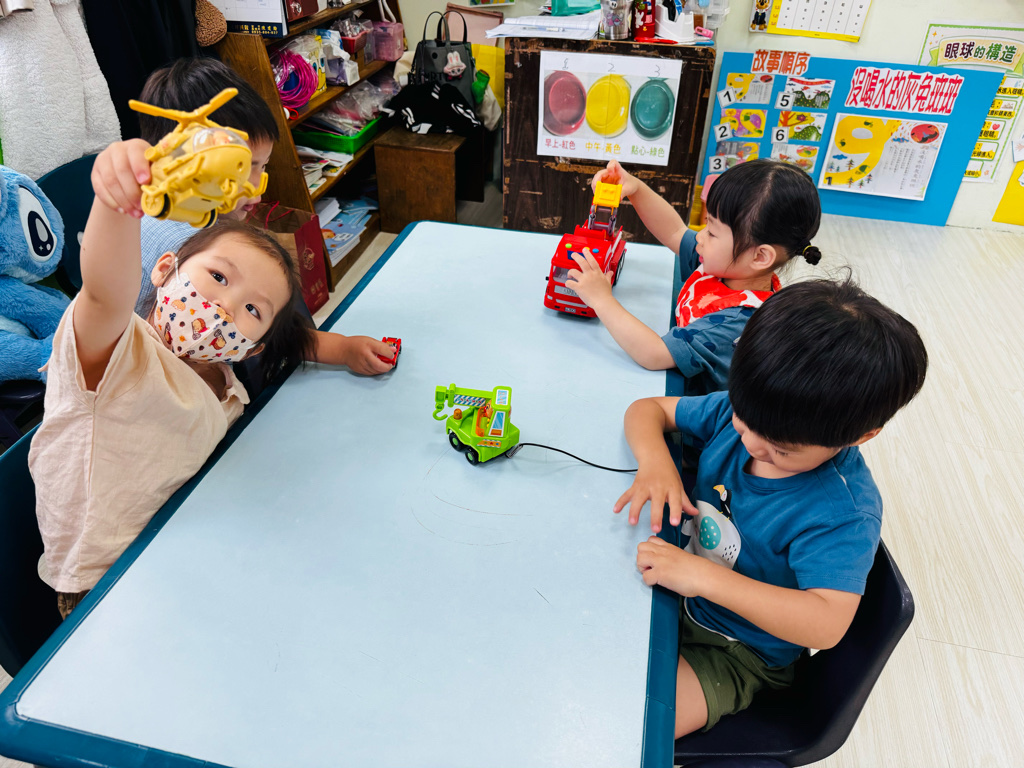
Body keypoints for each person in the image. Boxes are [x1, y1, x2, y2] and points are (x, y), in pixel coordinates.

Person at [613, 278, 928, 736]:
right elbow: (646, 410)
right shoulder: (752, 411)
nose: (753, 445)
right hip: (675, 590)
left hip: (737, 652)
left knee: (628, 725)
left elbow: (826, 624)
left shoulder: (840, 513)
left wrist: (703, 577)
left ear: (861, 436)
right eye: (744, 422)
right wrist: (657, 463)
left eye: (781, 449)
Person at [29, 139, 317, 618]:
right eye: (219, 277)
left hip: (181, 552)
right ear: (165, 270)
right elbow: (104, 293)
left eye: (252, 310)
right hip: (103, 588)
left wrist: (343, 349)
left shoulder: (225, 381)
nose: (225, 306)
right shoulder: (118, 353)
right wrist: (120, 202)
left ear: (253, 348)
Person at [134, 57, 395, 376]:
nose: (257, 190)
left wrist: (343, 349)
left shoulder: (188, 220)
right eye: (242, 168)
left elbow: (270, 332)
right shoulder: (190, 247)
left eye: (262, 166)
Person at [567, 159, 822, 396]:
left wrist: (601, 300)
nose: (700, 236)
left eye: (712, 231)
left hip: (696, 414)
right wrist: (635, 188)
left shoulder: (734, 323)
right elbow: (675, 232)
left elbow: (654, 354)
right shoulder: (728, 268)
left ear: (760, 256)